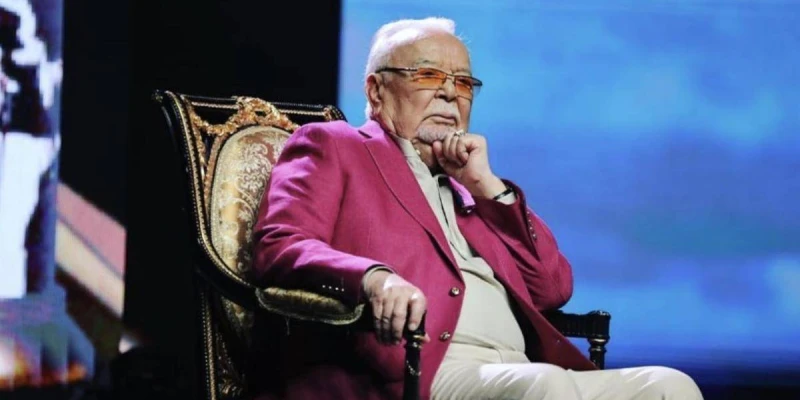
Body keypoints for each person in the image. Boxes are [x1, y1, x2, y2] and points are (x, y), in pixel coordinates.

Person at [252, 17, 703, 400]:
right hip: (418, 370)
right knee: (546, 386)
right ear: (376, 91)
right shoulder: (336, 146)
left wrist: (488, 188)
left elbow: (552, 289)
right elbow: (280, 245)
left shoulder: (471, 188)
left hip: (520, 368)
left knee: (670, 386)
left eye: (464, 82)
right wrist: (374, 278)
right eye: (429, 76)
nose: (451, 94)